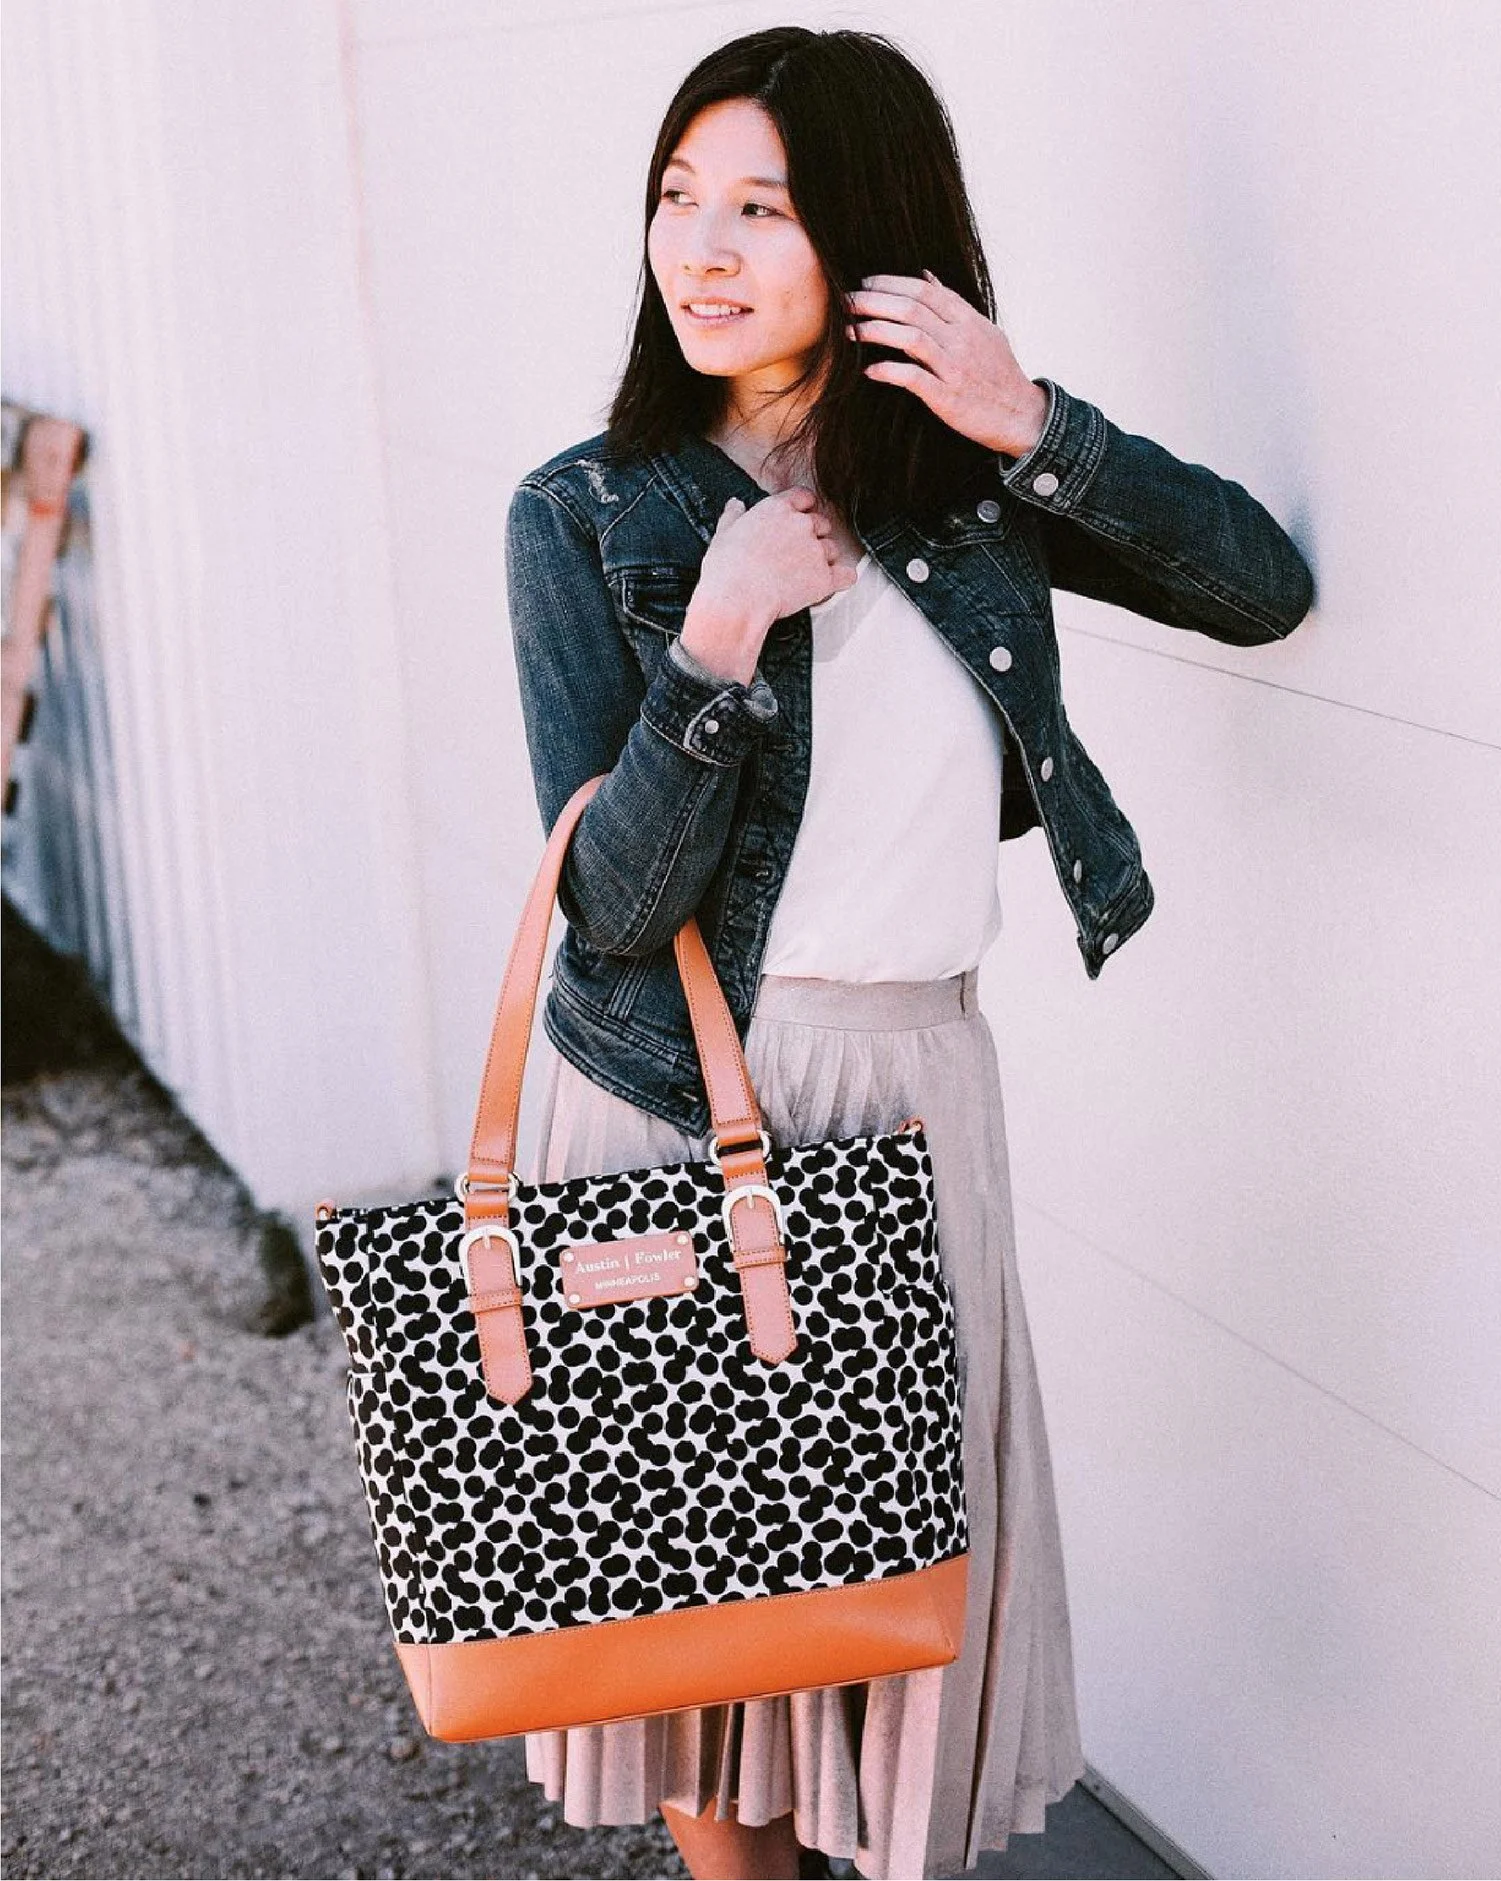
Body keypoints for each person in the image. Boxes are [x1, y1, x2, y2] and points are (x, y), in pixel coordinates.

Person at [503, 26, 1314, 1881]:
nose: (701, 249)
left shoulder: (962, 479)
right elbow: (611, 908)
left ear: (870, 235)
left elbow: (1259, 587)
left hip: (917, 1089)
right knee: (717, 1652)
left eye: (762, 209)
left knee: (890, 1637)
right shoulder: (586, 511)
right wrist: (713, 646)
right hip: (675, 1094)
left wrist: (1040, 425)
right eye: (678, 198)